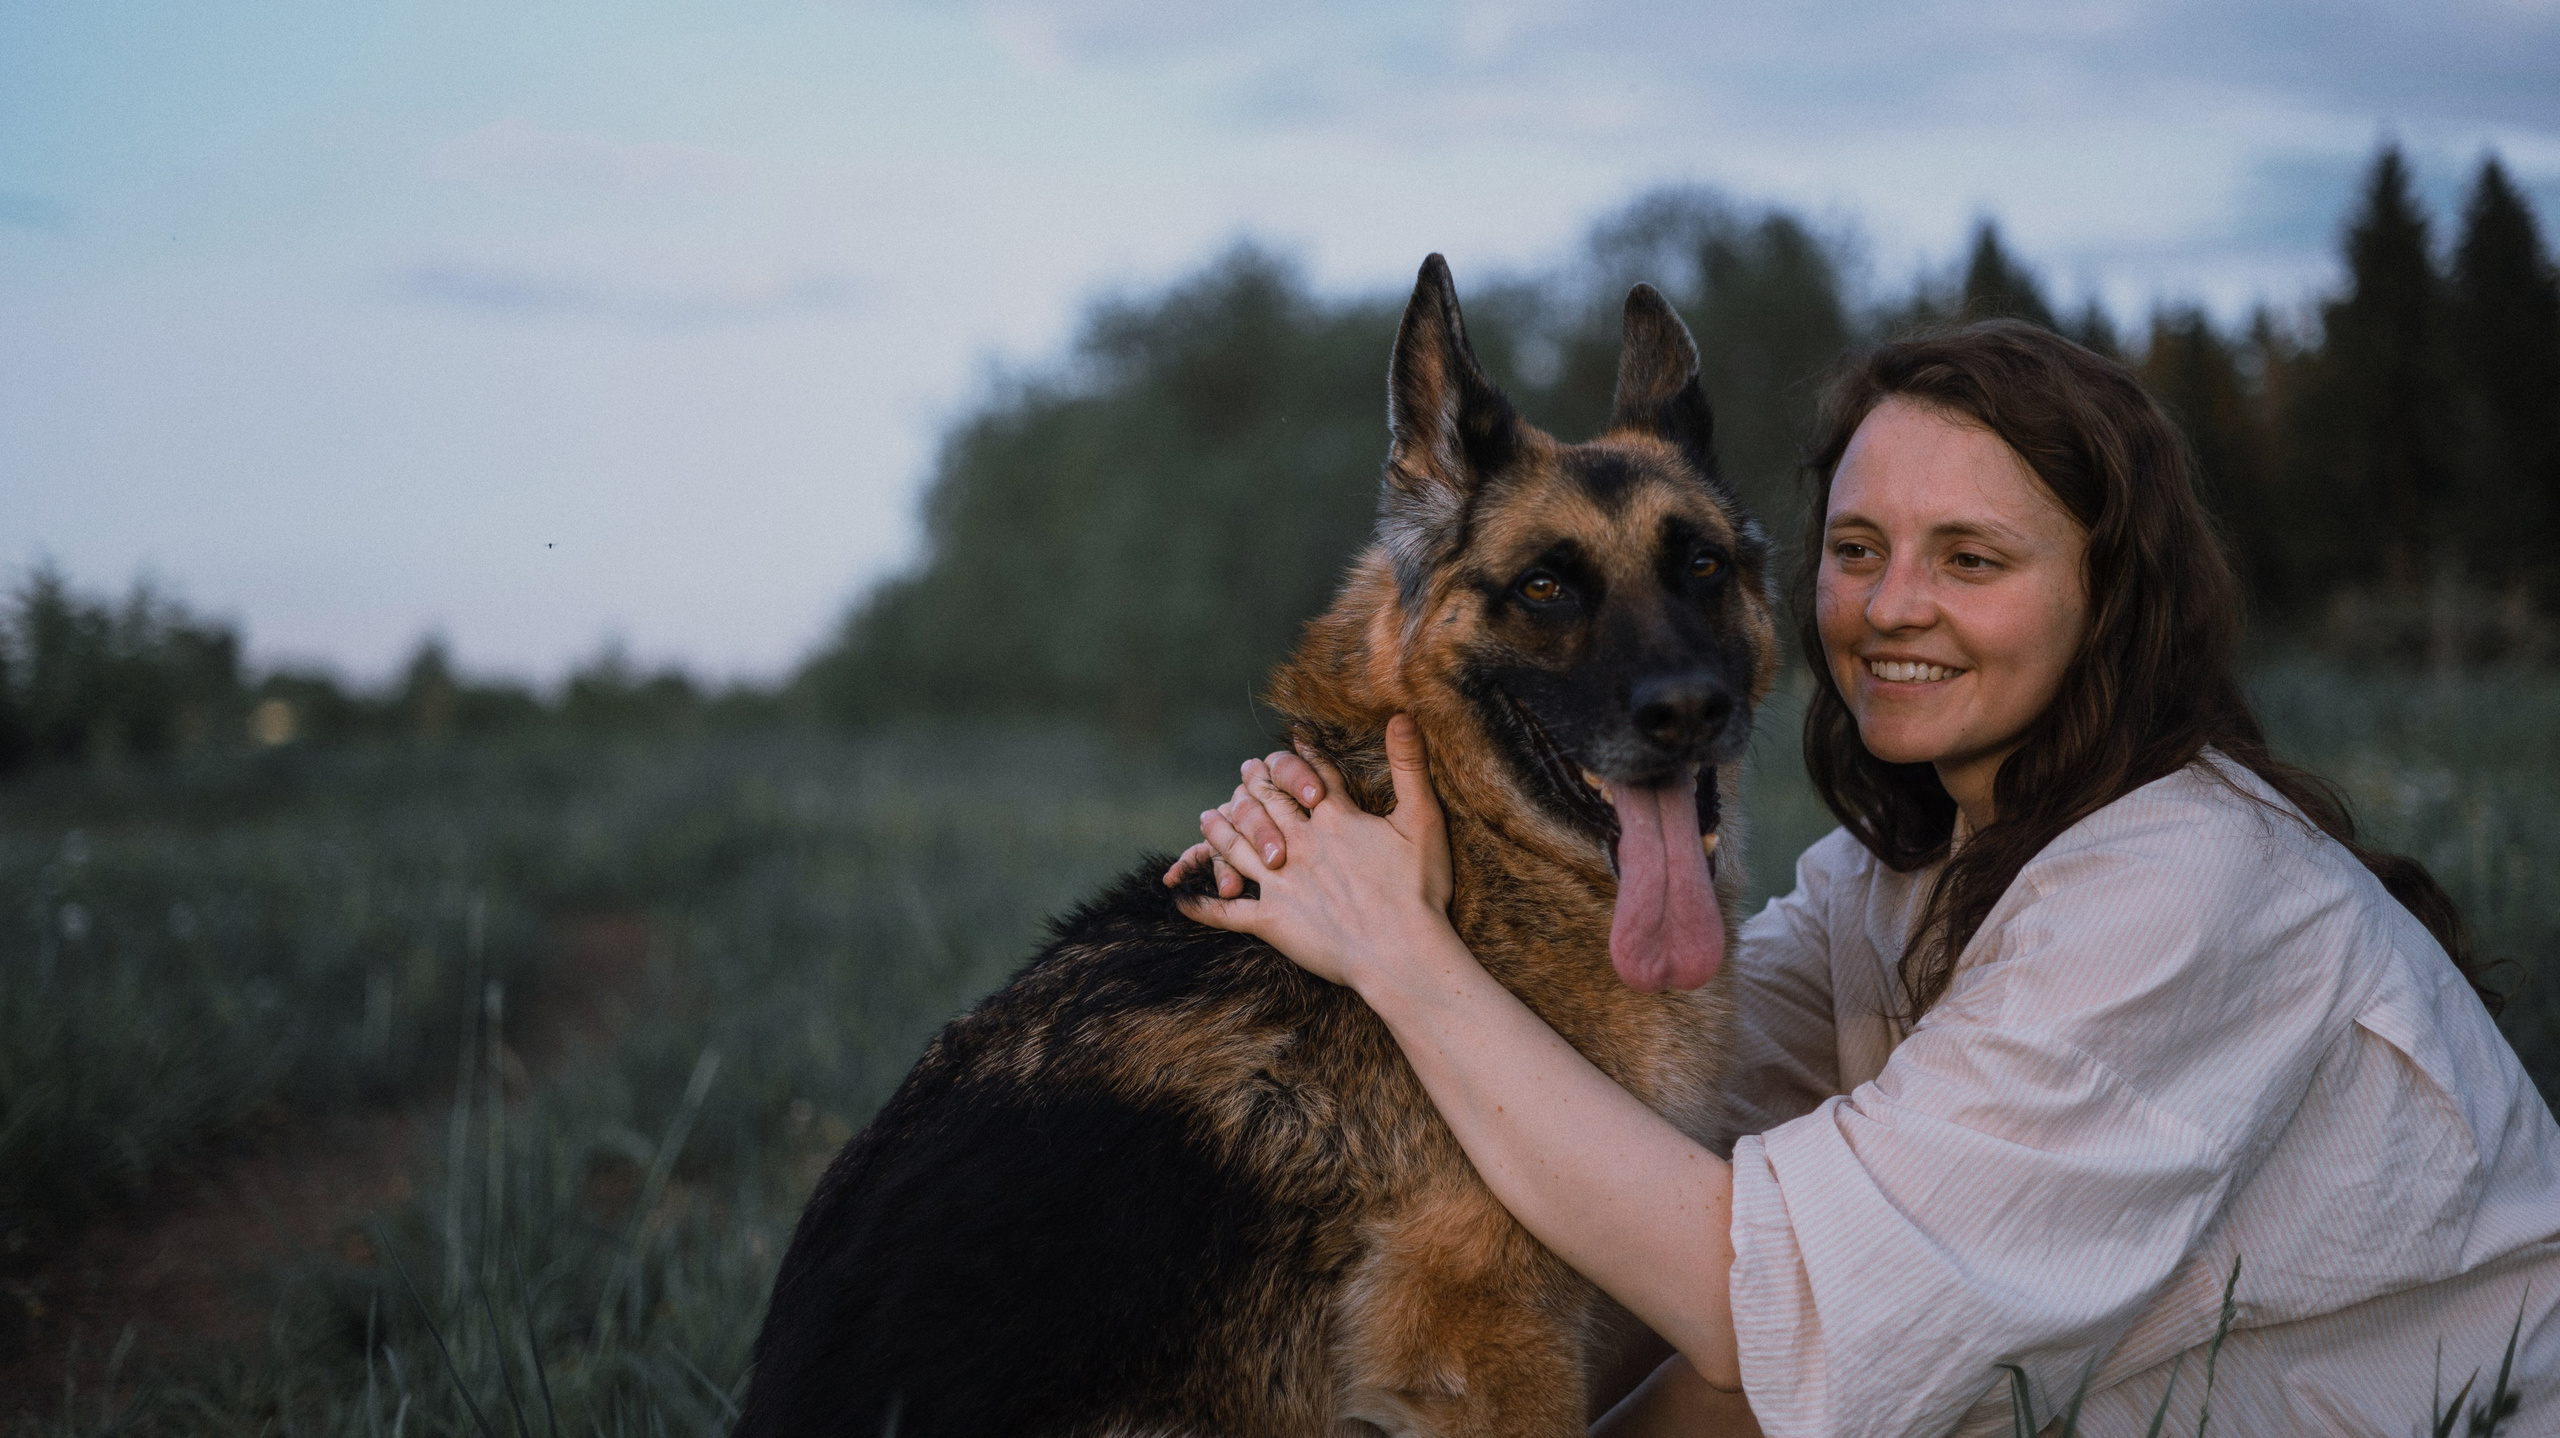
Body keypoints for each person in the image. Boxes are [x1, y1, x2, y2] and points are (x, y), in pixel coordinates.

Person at [1166, 320, 2560, 1435]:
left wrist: (1400, 954)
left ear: (2109, 592)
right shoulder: (1894, 877)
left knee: (1778, 1345)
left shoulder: (2179, 891)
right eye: (1856, 550)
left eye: (1972, 558)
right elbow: (1623, 1133)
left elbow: (1760, 1298)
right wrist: (1337, 835)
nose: (1894, 606)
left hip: (2461, 1416)